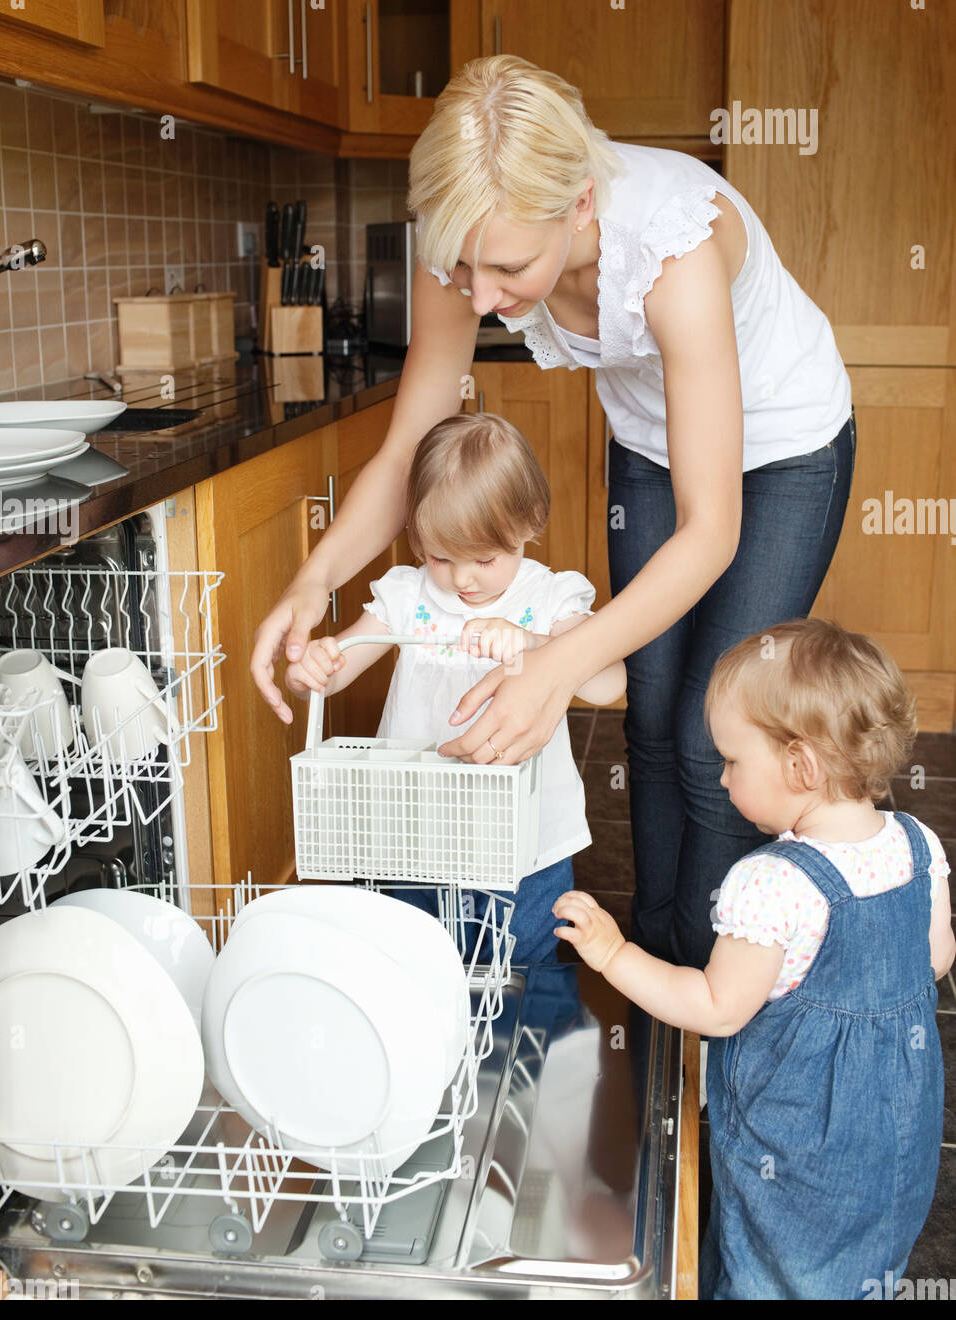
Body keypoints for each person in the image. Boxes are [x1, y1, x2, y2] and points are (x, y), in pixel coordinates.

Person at [251, 54, 856, 970]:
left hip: (781, 451)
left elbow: (712, 530)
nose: (481, 299)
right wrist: (312, 580)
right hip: (654, 442)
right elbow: (408, 448)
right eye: (462, 268)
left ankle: (718, 991)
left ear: (578, 205)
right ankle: (655, 963)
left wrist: (554, 661)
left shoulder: (672, 246)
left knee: (711, 735)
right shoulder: (468, 246)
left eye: (507, 269)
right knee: (649, 718)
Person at [551, 618, 954, 1300]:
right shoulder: (917, 844)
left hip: (794, 1158)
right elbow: (934, 960)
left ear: (800, 766)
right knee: (856, 1270)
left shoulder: (771, 883)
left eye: (732, 760)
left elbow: (715, 1009)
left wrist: (613, 953)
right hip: (894, 1141)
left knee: (772, 1272)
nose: (720, 775)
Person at [295, 412, 626, 963]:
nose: (461, 579)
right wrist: (313, 669)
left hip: (526, 848)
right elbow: (334, 674)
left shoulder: (549, 598)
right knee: (414, 967)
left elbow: (608, 681)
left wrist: (530, 641)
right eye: (440, 556)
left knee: (520, 976)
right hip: (417, 837)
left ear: (528, 524)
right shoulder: (408, 595)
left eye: (484, 559)